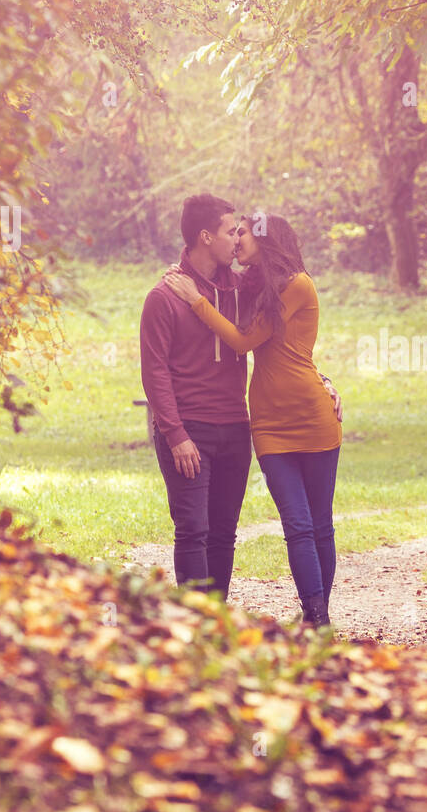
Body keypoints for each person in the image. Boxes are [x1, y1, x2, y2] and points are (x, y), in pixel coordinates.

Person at [140, 195, 340, 601]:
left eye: (241, 232)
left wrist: (322, 379)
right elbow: (154, 371)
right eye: (232, 231)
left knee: (223, 534)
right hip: (190, 428)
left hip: (235, 425)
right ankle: (197, 625)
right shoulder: (164, 296)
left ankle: (219, 619)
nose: (236, 239)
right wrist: (175, 433)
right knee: (193, 530)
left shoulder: (246, 290)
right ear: (205, 236)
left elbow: (276, 340)